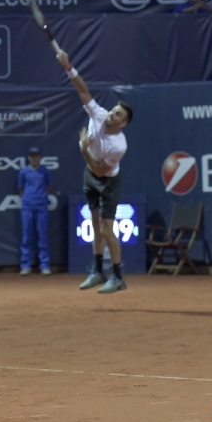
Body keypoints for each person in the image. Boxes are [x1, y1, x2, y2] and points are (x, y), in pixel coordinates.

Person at [55, 49, 133, 293]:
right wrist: (69, 67)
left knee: (106, 229)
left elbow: (100, 171)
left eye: (118, 114)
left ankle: (118, 277)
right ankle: (98, 272)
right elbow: (82, 89)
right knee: (94, 222)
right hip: (90, 174)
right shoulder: (98, 114)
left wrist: (84, 150)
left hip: (107, 181)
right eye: (113, 109)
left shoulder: (119, 146)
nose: (112, 112)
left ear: (124, 123)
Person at [18, 146, 53, 275]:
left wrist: (40, 197)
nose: (34, 158)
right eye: (32, 156)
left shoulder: (45, 172)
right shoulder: (23, 172)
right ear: (28, 158)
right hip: (27, 206)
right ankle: (25, 265)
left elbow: (49, 187)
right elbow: (20, 189)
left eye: (36, 155)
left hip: (42, 206)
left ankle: (44, 265)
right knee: (26, 236)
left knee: (42, 235)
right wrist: (29, 198)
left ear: (40, 157)